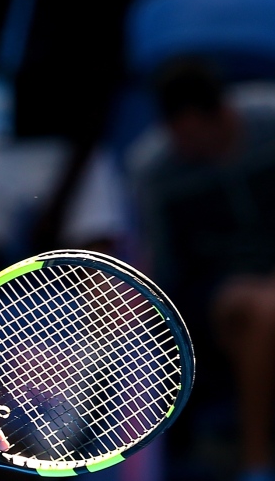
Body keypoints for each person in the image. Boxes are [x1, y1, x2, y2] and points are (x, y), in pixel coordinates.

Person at [127, 57, 275, 481]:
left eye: (193, 134)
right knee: (265, 311)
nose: (185, 146)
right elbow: (165, 263)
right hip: (218, 292)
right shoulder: (153, 167)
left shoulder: (271, 120)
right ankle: (257, 463)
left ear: (220, 113)